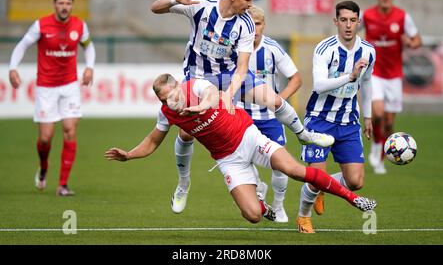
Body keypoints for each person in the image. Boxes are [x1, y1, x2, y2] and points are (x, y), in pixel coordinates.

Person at [150, 0, 334, 214]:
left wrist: (229, 92)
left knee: (273, 99)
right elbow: (155, 7)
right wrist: (175, 1)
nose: (250, 5)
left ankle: (303, 135)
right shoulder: (202, 5)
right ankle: (183, 183)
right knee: (185, 134)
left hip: (229, 76)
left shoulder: (246, 23)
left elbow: (243, 66)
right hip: (195, 77)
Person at [104, 74, 377, 224]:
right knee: (253, 216)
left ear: (179, 85)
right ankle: (260, 202)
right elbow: (152, 142)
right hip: (227, 159)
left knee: (294, 171)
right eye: (165, 99)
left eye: (173, 95)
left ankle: (353, 199)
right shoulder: (167, 113)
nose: (172, 102)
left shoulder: (195, 86)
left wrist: (200, 106)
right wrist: (129, 154)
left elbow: (212, 93)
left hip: (248, 137)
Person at [296, 1, 376, 233]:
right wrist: (349, 77)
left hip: (348, 121)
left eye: (353, 20)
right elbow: (320, 86)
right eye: (343, 20)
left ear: (358, 22)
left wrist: (368, 117)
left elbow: (368, 81)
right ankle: (303, 217)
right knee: (315, 176)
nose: (348, 25)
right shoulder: (324, 49)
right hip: (320, 120)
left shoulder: (368, 50)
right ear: (336, 22)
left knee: (356, 182)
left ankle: (324, 185)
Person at [9, 0, 96, 196]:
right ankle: (43, 167)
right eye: (61, 3)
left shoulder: (79, 26)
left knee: (70, 130)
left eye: (68, 3)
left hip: (69, 86)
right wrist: (12, 68)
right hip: (46, 87)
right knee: (46, 138)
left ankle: (63, 185)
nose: (64, 6)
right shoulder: (41, 25)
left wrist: (89, 67)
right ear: (54, 4)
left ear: (72, 5)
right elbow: (22, 46)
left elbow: (89, 46)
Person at [238, 5, 302, 223]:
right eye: (250, 23)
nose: (255, 29)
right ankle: (258, 186)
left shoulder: (273, 48)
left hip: (269, 118)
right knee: (240, 159)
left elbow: (296, 78)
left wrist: (279, 102)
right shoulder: (234, 48)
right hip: (242, 116)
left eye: (258, 23)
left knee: (280, 163)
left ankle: (278, 205)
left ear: (264, 25)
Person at [361, 0, 422, 175]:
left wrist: (411, 43)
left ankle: (380, 159)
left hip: (394, 75)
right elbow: (352, 30)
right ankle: (377, 146)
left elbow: (417, 39)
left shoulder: (403, 17)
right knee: (377, 113)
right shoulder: (367, 15)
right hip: (374, 71)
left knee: (388, 122)